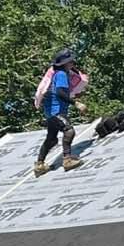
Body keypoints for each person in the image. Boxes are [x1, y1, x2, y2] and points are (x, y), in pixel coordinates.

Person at [34, 49, 87, 177]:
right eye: (71, 61)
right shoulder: (62, 74)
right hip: (56, 111)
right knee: (69, 131)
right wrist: (76, 103)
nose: (73, 63)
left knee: (51, 139)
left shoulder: (57, 74)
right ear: (65, 63)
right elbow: (60, 93)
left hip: (50, 113)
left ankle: (39, 165)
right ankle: (67, 160)